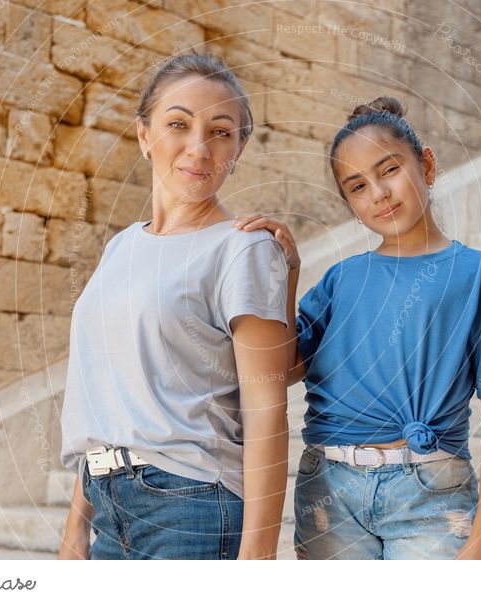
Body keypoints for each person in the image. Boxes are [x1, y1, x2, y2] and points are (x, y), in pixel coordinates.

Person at [233, 96, 481, 559]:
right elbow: (282, 369)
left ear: (426, 165)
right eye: (358, 186)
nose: (379, 193)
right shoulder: (341, 279)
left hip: (431, 491)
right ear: (349, 203)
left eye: (389, 170)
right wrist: (288, 276)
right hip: (330, 489)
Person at [57, 52, 291, 560]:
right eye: (178, 124)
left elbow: (267, 410)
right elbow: (108, 394)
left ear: (240, 148)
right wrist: (75, 528)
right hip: (106, 503)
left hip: (193, 505)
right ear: (145, 136)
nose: (199, 148)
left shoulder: (242, 247)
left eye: (222, 132)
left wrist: (259, 553)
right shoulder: (120, 246)